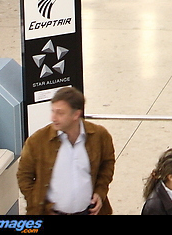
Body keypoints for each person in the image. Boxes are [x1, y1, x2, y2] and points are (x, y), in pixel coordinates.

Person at [17, 87, 115, 215]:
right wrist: (36, 202)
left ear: (76, 114)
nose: (53, 118)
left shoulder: (99, 136)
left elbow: (107, 164)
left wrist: (100, 192)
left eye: (60, 113)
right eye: (53, 111)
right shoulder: (37, 141)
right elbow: (24, 176)